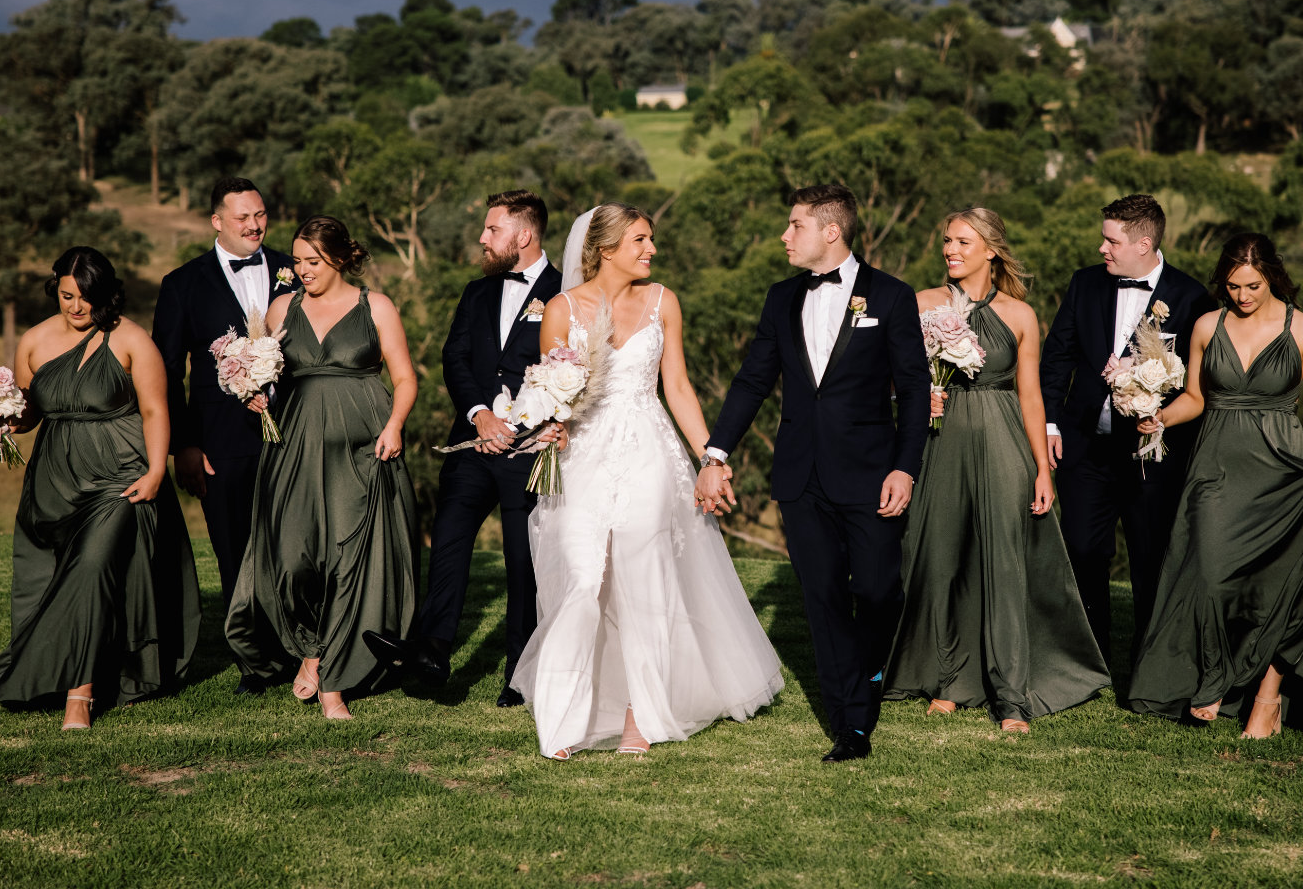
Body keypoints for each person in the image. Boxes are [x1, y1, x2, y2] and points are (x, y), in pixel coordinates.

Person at [511, 203, 784, 759]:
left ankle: (642, 713)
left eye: (650, 240)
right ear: (605, 248)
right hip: (584, 455)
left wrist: (710, 456)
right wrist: (552, 425)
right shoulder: (562, 309)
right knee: (583, 579)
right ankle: (564, 719)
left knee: (644, 578)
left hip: (649, 451)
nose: (651, 250)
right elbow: (549, 391)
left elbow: (678, 386)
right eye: (639, 240)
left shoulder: (664, 302)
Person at [700, 184, 931, 763]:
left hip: (874, 473)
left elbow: (913, 389)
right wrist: (716, 453)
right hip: (801, 477)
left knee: (878, 591)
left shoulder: (893, 296)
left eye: (794, 225)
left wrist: (906, 468)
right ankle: (851, 725)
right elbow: (754, 380)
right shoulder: (780, 298)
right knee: (823, 597)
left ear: (831, 230)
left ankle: (874, 666)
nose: (784, 236)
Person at [884, 209, 1108, 731]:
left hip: (1004, 440)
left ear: (991, 249)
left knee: (1002, 561)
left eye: (963, 240)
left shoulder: (1021, 315)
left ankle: (1010, 693)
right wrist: (921, 397)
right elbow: (889, 380)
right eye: (946, 240)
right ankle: (947, 678)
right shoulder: (920, 305)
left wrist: (1043, 472)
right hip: (940, 443)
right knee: (938, 556)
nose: (949, 249)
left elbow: (1031, 396)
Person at [0, 247, 200, 730]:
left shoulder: (131, 339)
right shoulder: (33, 341)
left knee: (93, 565)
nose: (76, 307)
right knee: (62, 575)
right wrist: (3, 418)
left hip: (119, 473)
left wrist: (157, 470)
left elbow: (157, 410)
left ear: (105, 295)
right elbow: (31, 412)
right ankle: (55, 667)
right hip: (56, 478)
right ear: (55, 289)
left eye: (86, 298)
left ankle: (81, 691)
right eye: (67, 295)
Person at [1127, 234, 1303, 738]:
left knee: (1278, 585)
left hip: (1283, 467)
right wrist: (1158, 417)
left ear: (1272, 276)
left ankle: (1266, 699)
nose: (1243, 296)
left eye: (1252, 285)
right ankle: (1213, 678)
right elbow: (1196, 399)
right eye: (1233, 286)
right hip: (1217, 466)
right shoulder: (1208, 325)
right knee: (1207, 575)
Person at [363, 189, 560, 706]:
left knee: (523, 560)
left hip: (532, 448)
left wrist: (525, 423)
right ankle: (432, 647)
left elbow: (576, 370)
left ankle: (520, 672)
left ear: (524, 234)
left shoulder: (567, 292)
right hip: (472, 440)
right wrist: (481, 414)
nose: (482, 237)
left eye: (492, 229)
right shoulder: (476, 291)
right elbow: (455, 358)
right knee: (448, 537)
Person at [226, 217, 421, 721]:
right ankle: (309, 645)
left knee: (348, 561)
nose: (302, 270)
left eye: (312, 261)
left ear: (337, 258)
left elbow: (403, 377)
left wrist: (395, 425)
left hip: (363, 447)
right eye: (297, 261)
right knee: (293, 559)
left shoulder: (375, 306)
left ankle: (331, 676)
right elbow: (265, 374)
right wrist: (255, 395)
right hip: (293, 447)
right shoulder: (280, 308)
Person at [1038, 194, 1211, 673]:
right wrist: (1051, 423)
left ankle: (1149, 663)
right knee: (1082, 549)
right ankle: (1088, 661)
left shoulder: (1193, 297)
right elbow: (1057, 359)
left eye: (1111, 241)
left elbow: (1201, 382)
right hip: (1085, 448)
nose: (1102, 249)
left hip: (1152, 453)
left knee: (1150, 555)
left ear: (1144, 242)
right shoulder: (1084, 285)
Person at [151, 176, 296, 677]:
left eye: (260, 215)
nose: (255, 225)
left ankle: (302, 648)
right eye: (243, 218)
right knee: (233, 548)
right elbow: (168, 373)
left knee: (292, 542)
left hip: (294, 432)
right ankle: (253, 660)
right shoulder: (182, 284)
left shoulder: (294, 270)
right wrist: (184, 446)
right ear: (217, 221)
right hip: (219, 440)